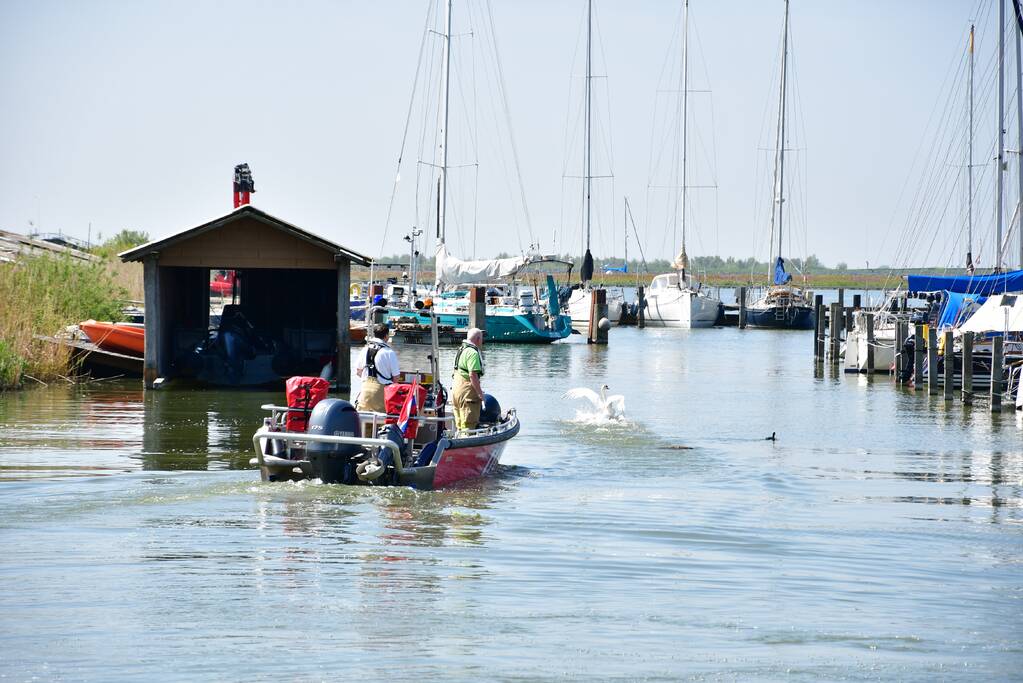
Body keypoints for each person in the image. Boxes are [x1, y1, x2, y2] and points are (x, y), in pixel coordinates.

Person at [354, 323, 400, 414]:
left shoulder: (365, 349)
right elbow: (396, 378)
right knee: (380, 423)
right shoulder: (389, 352)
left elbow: (358, 372)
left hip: (365, 392)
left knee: (364, 421)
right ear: (386, 336)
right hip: (381, 393)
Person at [452, 328, 486, 431]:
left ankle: (458, 443)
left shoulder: (461, 350)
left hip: (456, 391)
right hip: (467, 394)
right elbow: (473, 375)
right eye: (482, 339)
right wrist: (480, 394)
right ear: (478, 339)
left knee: (459, 424)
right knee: (468, 426)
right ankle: (467, 443)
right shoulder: (472, 353)